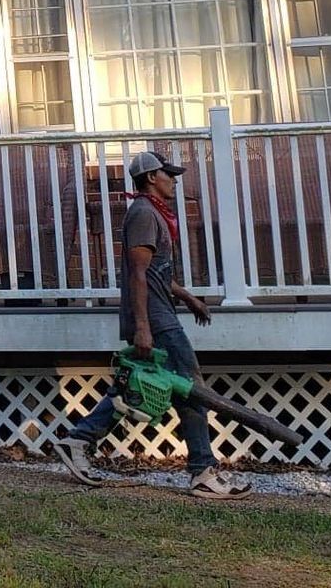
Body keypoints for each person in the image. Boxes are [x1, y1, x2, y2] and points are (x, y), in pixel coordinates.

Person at [50, 149, 252, 499]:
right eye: (167, 174)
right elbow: (138, 272)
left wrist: (187, 297)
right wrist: (143, 326)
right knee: (190, 387)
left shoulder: (153, 213)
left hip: (159, 312)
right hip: (155, 318)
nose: (173, 180)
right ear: (150, 179)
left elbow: (156, 272)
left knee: (134, 390)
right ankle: (202, 470)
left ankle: (78, 440)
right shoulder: (143, 213)